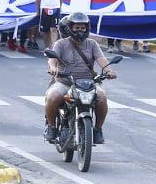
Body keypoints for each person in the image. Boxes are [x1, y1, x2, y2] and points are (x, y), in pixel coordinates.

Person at [44, 12, 117, 145]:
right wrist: (53, 68)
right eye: (77, 28)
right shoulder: (60, 44)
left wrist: (108, 70)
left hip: (88, 83)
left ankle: (98, 129)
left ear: (87, 28)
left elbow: (102, 60)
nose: (80, 30)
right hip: (65, 82)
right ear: (70, 28)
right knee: (53, 96)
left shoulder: (92, 44)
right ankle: (52, 127)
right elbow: (52, 59)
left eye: (82, 28)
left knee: (102, 98)